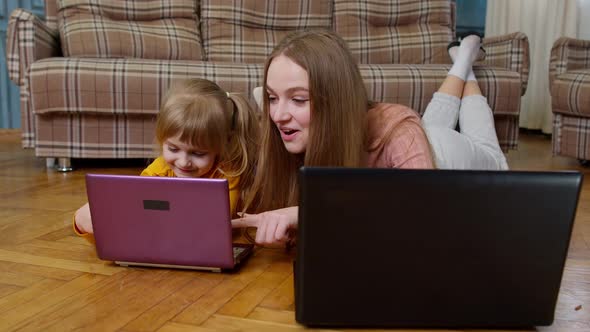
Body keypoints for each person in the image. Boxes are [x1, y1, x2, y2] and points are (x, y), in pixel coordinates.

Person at [233, 29, 435, 246]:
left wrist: (308, 212)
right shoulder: (280, 131)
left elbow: (428, 214)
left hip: (447, 148)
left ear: (335, 103)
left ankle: (463, 71)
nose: (278, 116)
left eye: (299, 99)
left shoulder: (399, 131)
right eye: (272, 98)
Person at [73, 78, 260, 243]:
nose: (183, 162)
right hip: (162, 239)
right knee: (87, 215)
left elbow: (215, 224)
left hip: (201, 241)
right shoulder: (158, 171)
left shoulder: (228, 174)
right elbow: (139, 211)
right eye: (173, 149)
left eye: (198, 153)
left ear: (222, 145)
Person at [421, 34, 509, 170]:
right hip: (415, 137)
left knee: (492, 157)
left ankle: (464, 58)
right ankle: (463, 58)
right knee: (429, 128)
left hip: (431, 159)